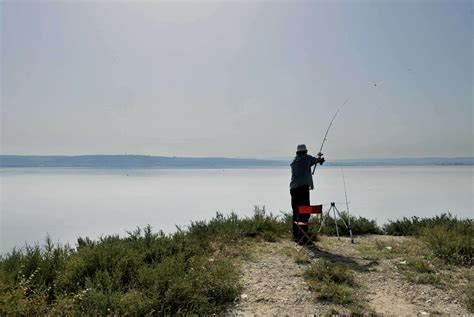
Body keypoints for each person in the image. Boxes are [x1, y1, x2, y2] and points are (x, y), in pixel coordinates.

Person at [290, 144, 325, 243]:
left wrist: (316, 157)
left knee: (296, 212)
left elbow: (310, 161)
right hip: (303, 189)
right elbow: (316, 160)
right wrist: (319, 159)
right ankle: (303, 237)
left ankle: (296, 236)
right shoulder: (307, 159)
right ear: (305, 151)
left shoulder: (294, 161)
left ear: (297, 152)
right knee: (305, 212)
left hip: (293, 189)